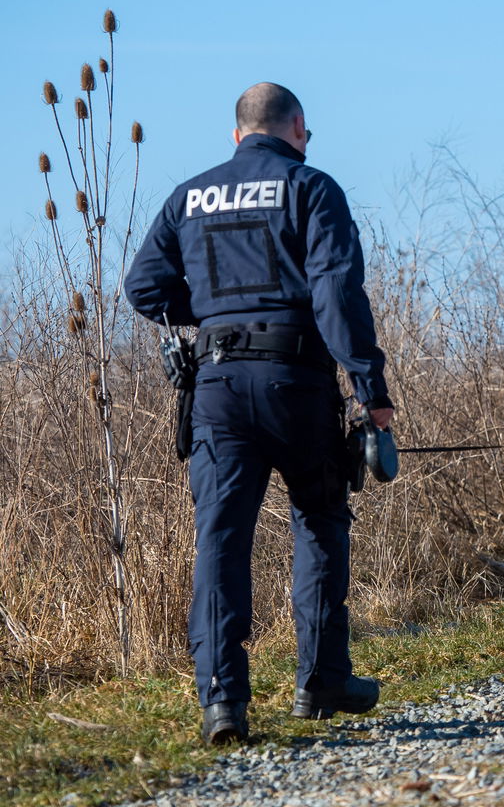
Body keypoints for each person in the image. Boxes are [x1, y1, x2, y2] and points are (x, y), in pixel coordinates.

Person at [124, 83, 394, 745]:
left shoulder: (191, 196)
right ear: (296, 127)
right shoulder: (310, 188)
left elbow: (144, 287)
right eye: (307, 133)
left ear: (237, 133)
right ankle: (321, 680)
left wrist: (218, 316)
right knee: (320, 518)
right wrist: (370, 390)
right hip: (296, 380)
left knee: (220, 540)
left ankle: (221, 701)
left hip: (215, 386)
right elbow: (335, 291)